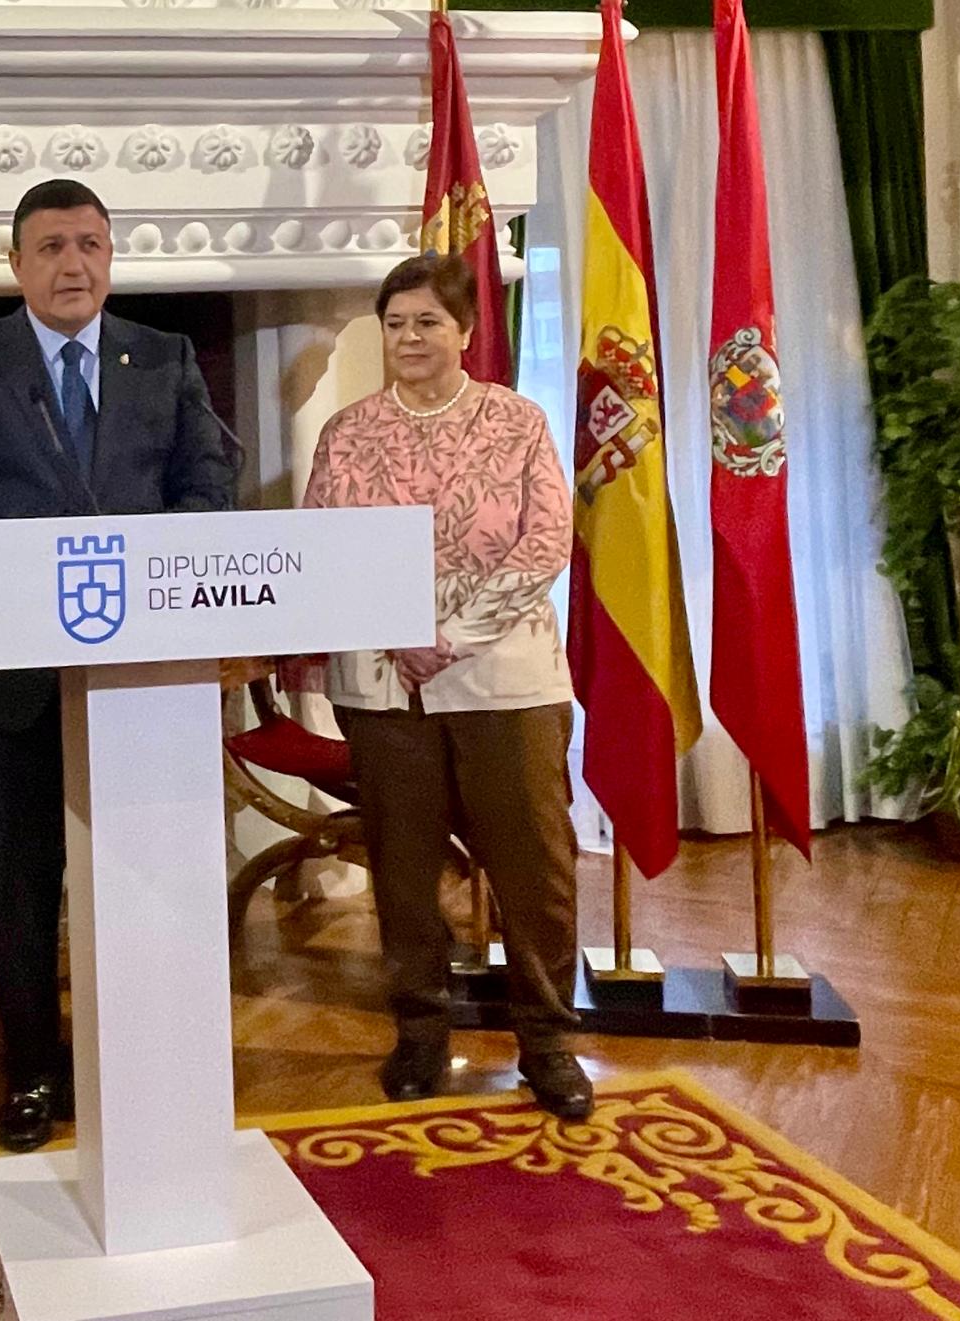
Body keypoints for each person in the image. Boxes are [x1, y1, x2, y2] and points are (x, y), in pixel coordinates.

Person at [0, 179, 237, 1152]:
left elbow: (206, 492)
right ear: (16, 263)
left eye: (91, 244)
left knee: (135, 879)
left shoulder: (165, 357)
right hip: (9, 682)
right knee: (21, 886)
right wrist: (36, 577)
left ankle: (129, 1063)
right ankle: (29, 1073)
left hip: (138, 686)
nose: (73, 264)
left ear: (110, 256)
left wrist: (139, 573)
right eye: (51, 245)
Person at [293, 251, 592, 1119]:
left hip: (506, 681)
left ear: (465, 331)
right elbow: (324, 548)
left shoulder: (516, 421)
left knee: (534, 870)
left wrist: (449, 637)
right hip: (385, 689)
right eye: (395, 322)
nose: (410, 337)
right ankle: (420, 1035)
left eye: (428, 321)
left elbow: (543, 544)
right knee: (403, 870)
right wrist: (398, 635)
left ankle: (547, 1043)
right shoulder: (347, 432)